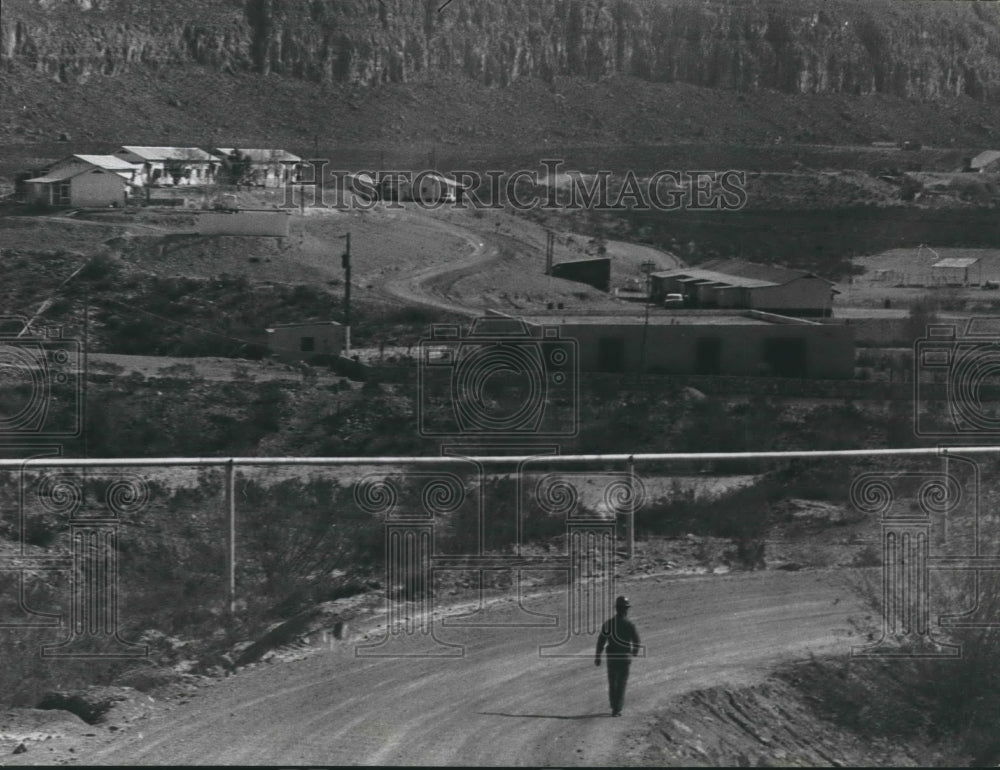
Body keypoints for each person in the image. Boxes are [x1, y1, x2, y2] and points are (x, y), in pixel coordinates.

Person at [595, 595, 640, 716]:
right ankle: (617, 708)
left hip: (612, 658)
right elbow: (636, 640)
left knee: (612, 682)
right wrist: (634, 653)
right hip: (624, 658)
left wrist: (597, 656)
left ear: (616, 609)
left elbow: (601, 641)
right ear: (626, 609)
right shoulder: (629, 625)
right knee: (621, 683)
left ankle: (614, 705)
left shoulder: (608, 624)